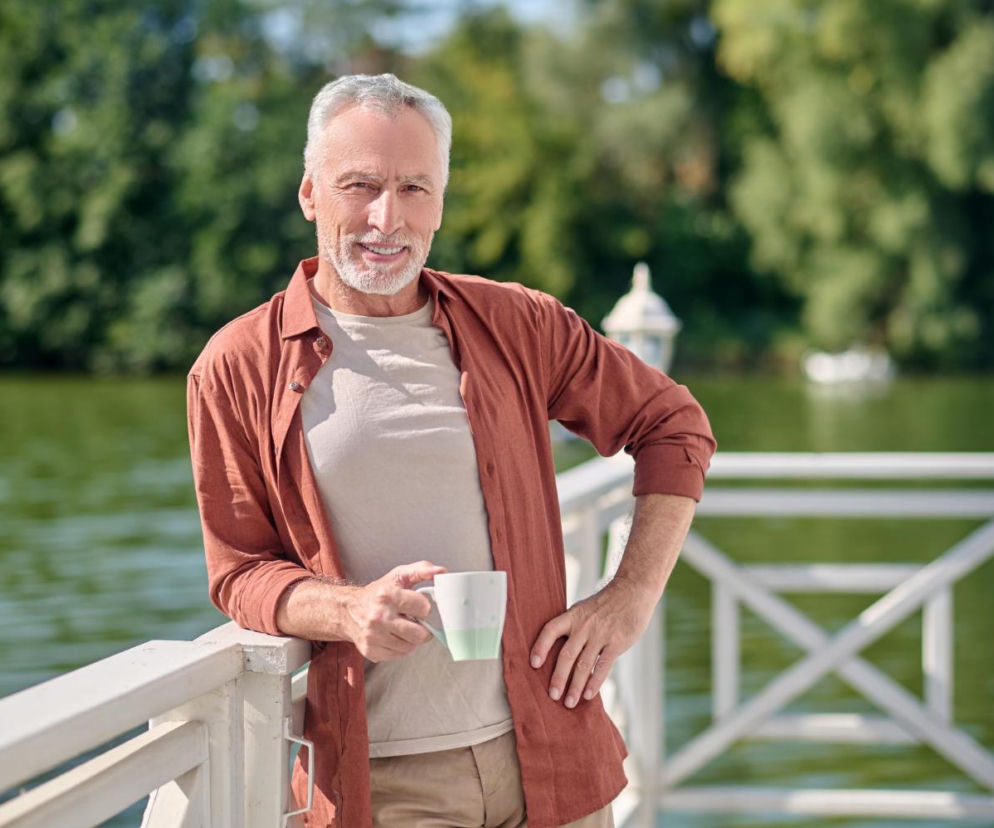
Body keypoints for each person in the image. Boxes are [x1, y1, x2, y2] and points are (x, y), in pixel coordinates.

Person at [187, 73, 716, 828]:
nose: (386, 217)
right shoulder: (238, 365)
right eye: (360, 185)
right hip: (383, 786)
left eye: (414, 188)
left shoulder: (519, 323)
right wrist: (346, 611)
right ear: (309, 193)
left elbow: (675, 427)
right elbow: (238, 572)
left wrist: (627, 601)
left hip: (554, 759)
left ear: (440, 198)